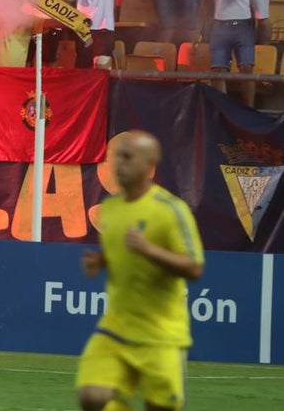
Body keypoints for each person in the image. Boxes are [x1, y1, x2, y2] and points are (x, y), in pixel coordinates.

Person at [75, 130, 204, 411]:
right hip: (116, 326)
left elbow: (194, 267)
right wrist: (102, 261)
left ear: (149, 165)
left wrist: (149, 250)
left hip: (160, 333)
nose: (118, 164)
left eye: (127, 157)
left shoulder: (171, 210)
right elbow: (121, 250)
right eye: (115, 157)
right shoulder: (110, 210)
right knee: (92, 397)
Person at [208, 0, 256, 107]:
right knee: (218, 70)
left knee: (246, 69)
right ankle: (223, 109)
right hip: (219, 25)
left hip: (242, 25)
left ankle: (248, 109)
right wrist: (199, 29)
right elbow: (205, 0)